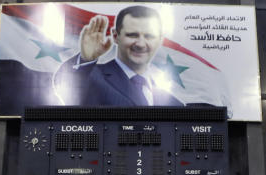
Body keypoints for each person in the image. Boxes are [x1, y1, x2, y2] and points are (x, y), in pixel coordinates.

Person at [52, 6, 184, 107]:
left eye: (149, 36)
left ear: (160, 40)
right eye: (132, 35)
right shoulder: (92, 76)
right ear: (115, 36)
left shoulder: (173, 103)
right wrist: (86, 59)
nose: (140, 44)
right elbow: (65, 85)